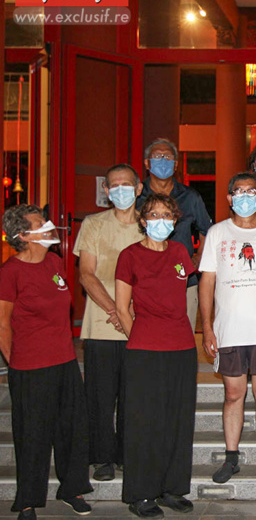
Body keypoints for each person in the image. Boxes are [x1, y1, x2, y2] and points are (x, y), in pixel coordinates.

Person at [0, 205, 93, 520]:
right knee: (33, 435)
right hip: (30, 366)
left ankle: (72, 489)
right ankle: (27, 500)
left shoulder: (55, 262)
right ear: (23, 235)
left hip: (65, 360)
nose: (49, 225)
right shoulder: (10, 272)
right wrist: (17, 363)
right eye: (41, 223)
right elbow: (2, 324)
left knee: (73, 429)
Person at [199, 172, 256, 484]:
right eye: (238, 191)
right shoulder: (217, 233)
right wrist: (208, 327)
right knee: (232, 394)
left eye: (252, 191)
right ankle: (231, 457)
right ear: (228, 198)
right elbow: (207, 281)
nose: (246, 196)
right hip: (230, 330)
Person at [115, 194, 198, 519]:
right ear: (143, 219)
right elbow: (122, 308)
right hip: (145, 350)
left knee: (178, 422)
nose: (160, 220)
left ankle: (172, 488)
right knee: (143, 423)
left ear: (175, 219)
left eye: (166, 214)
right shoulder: (130, 255)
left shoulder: (180, 252)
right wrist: (139, 337)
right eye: (154, 214)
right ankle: (141, 492)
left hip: (181, 348)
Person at [73, 164, 145, 482]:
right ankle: (102, 456)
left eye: (126, 184)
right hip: (102, 323)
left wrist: (130, 312)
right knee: (101, 395)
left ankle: (128, 453)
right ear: (106, 191)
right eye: (114, 185)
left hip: (140, 325)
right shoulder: (94, 224)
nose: (120, 190)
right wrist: (117, 311)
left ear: (138, 188)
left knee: (134, 394)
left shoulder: (150, 225)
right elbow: (86, 274)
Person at [135, 138, 212, 331]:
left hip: (184, 280)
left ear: (175, 164)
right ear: (147, 163)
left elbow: (206, 230)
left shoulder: (190, 197)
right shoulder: (136, 196)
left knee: (181, 333)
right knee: (147, 332)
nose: (163, 160)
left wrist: (199, 256)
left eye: (167, 157)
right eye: (157, 156)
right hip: (144, 278)